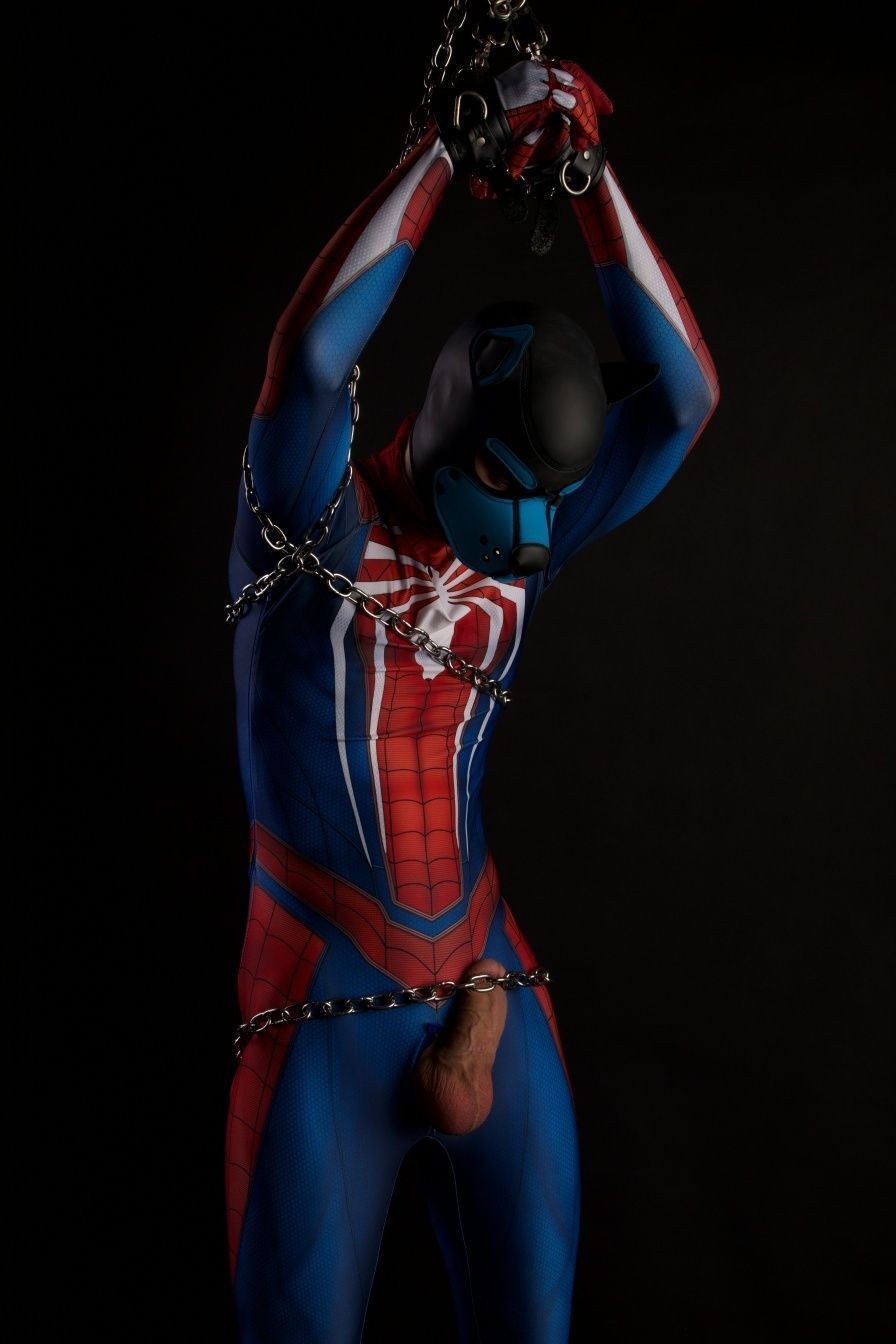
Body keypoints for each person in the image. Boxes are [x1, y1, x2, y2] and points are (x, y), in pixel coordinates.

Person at [225, 55, 718, 1343]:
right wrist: (450, 146)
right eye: (508, 492)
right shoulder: (309, 526)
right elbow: (309, 355)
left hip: (489, 967)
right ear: (449, 436)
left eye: (547, 506)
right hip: (321, 990)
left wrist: (589, 178)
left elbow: (686, 401)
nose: (529, 534)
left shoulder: (529, 528)